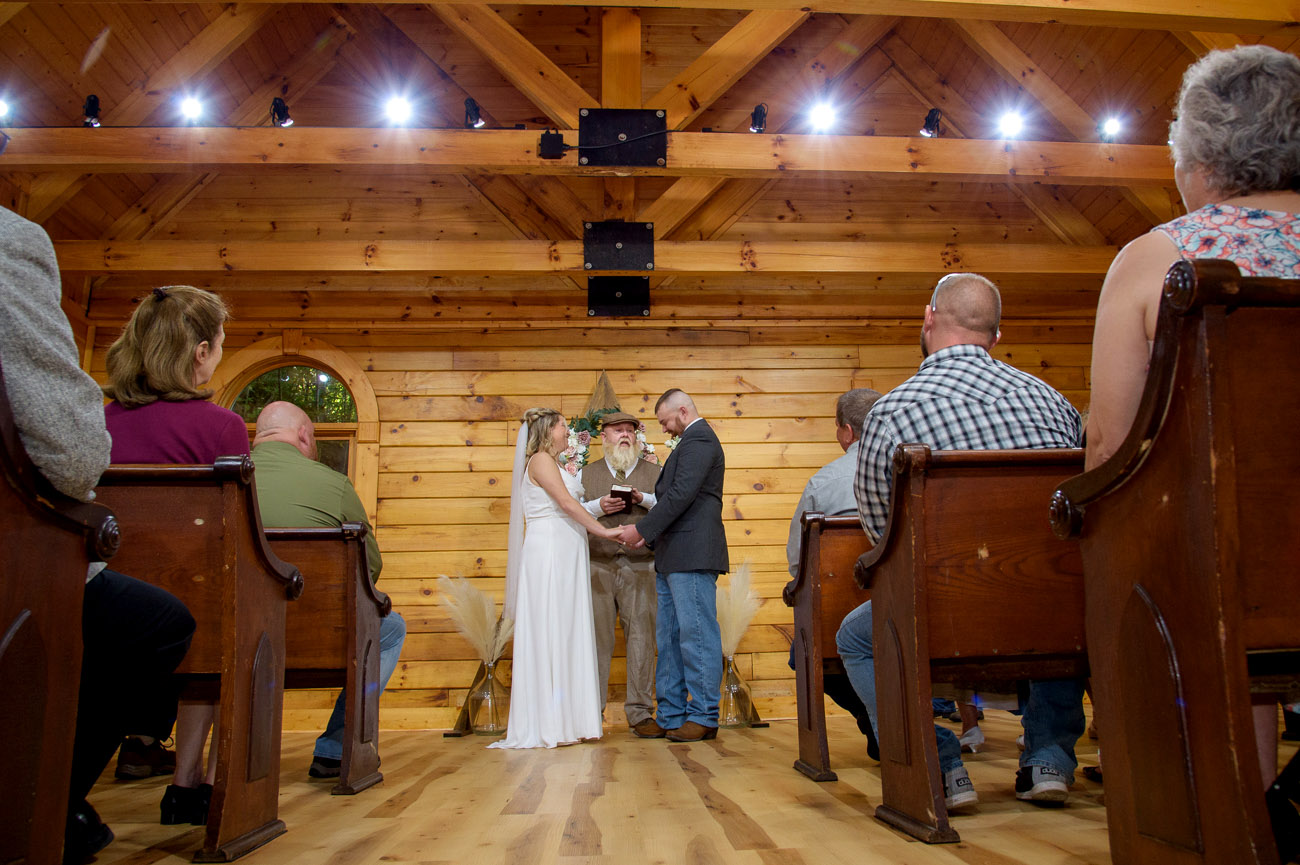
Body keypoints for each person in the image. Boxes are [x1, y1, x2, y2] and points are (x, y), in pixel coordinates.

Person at [1086, 45, 1300, 796]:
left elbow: (1110, 451)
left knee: (1211, 567)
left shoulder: (1160, 260)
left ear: (1197, 157)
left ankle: (1240, 814)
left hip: (1230, 562)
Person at [837, 272, 1084, 810]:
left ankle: (943, 767)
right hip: (1052, 608)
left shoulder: (893, 411)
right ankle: (1049, 759)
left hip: (946, 607)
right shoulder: (1055, 402)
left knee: (856, 638)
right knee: (1063, 594)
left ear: (928, 319)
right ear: (996, 335)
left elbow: (883, 533)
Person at [0, 205, 195, 864]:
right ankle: (47, 796)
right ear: (201, 354)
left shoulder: (118, 412)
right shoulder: (12, 240)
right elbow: (73, 454)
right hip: (31, 560)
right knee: (160, 619)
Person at [101, 284, 248, 826]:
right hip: (189, 605)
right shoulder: (221, 426)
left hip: (101, 597)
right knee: (217, 616)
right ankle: (192, 785)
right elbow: (241, 533)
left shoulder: (100, 421)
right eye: (221, 343)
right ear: (200, 352)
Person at [250, 401, 407, 778]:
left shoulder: (225, 477)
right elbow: (370, 565)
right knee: (390, 630)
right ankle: (335, 748)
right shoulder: (333, 483)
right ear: (304, 435)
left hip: (236, 630)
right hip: (315, 634)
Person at [490, 408, 623, 749]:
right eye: (564, 427)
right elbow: (564, 504)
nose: (569, 432)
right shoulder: (539, 461)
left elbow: (564, 505)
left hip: (565, 548)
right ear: (548, 431)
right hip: (549, 552)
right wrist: (606, 534)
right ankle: (548, 721)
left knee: (565, 630)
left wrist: (596, 509)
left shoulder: (553, 463)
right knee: (551, 628)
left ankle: (568, 719)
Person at [616, 389, 728, 742]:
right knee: (669, 638)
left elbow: (680, 495)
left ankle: (705, 714)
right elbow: (672, 496)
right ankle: (671, 712)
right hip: (672, 554)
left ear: (682, 411)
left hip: (693, 553)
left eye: (665, 421)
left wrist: (641, 530)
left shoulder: (700, 440)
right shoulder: (689, 441)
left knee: (695, 636)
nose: (664, 430)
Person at [783, 388, 882, 757]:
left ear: (846, 431)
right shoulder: (908, 470)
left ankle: (876, 723)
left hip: (843, 613)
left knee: (803, 655)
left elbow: (799, 562)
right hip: (919, 606)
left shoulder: (823, 483)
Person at [578, 410, 663, 738]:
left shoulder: (655, 473)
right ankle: (590, 712)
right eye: (617, 431)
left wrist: (644, 500)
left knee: (642, 638)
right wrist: (599, 506)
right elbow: (571, 515)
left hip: (642, 565)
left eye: (630, 430)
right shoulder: (585, 476)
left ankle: (640, 713)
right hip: (596, 564)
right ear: (604, 438)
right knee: (595, 641)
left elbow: (672, 507)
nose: (624, 435)